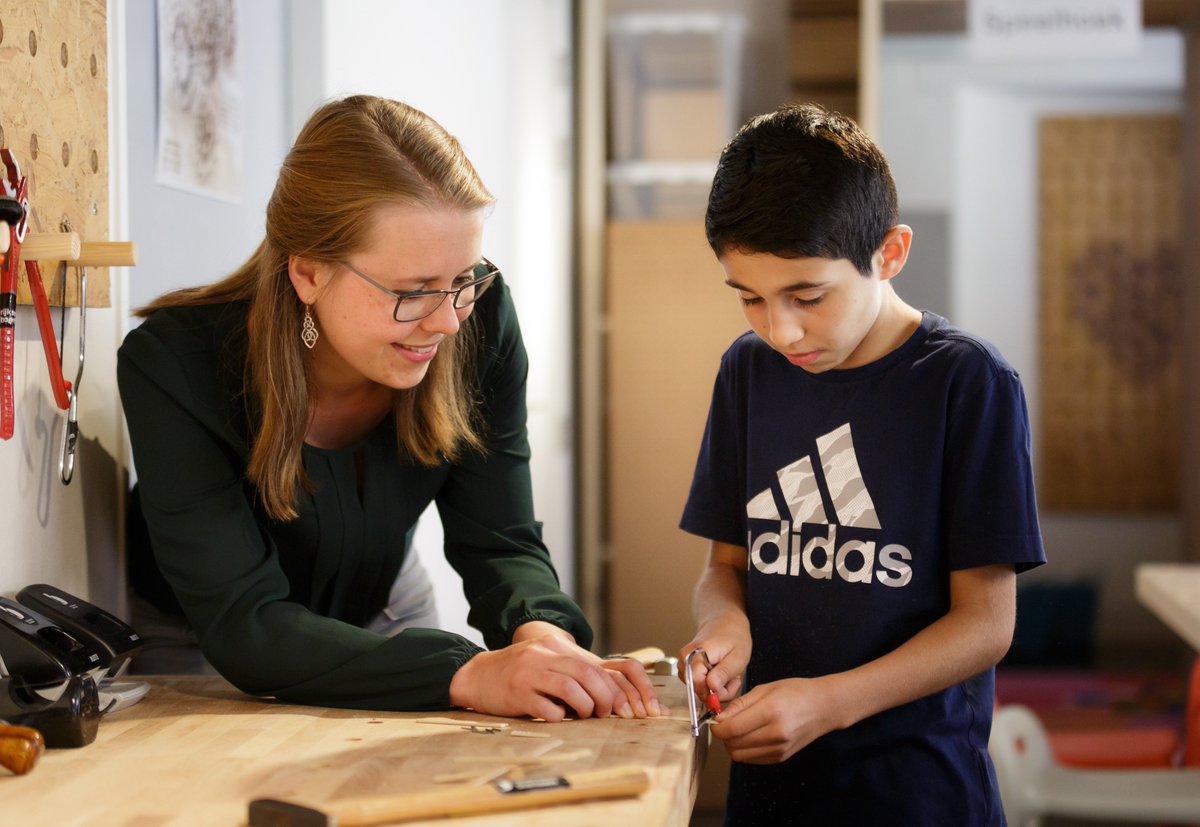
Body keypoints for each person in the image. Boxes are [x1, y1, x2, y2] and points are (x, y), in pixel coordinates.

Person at [118, 94, 662, 722]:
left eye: (465, 277)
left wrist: (541, 636)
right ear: (308, 274)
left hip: (383, 609)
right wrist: (465, 670)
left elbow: (500, 540)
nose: (449, 322)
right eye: (411, 292)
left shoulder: (479, 320)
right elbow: (245, 622)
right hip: (203, 637)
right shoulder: (175, 366)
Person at [677, 103, 1046, 824]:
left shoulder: (967, 383)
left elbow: (987, 624)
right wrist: (726, 627)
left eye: (807, 296)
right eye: (750, 297)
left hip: (917, 790)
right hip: (772, 784)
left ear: (890, 253)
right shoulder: (749, 372)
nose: (779, 329)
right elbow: (726, 567)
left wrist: (830, 701)